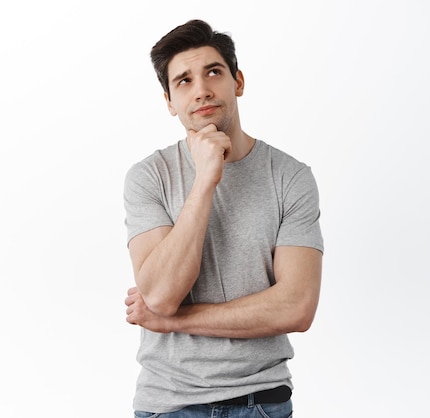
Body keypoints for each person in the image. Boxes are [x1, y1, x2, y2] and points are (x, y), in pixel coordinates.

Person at [123, 19, 324, 417]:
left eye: (213, 72)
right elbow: (161, 295)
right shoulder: (149, 177)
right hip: (169, 405)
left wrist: (174, 322)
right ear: (169, 102)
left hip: (261, 403)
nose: (201, 90)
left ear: (239, 81)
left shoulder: (290, 176)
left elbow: (297, 307)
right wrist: (205, 181)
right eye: (183, 81)